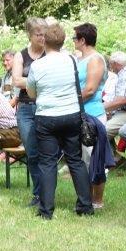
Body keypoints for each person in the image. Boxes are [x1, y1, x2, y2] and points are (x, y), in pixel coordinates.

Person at [25, 24, 94, 219]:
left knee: (47, 163)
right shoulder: (71, 60)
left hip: (46, 116)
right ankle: (85, 206)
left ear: (44, 41)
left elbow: (31, 93)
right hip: (71, 114)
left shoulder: (37, 65)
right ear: (63, 42)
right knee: (75, 160)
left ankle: (46, 210)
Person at [11, 18, 48, 207]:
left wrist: (29, 81)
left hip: (46, 106)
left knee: (46, 152)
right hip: (25, 108)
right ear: (30, 35)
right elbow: (16, 81)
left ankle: (47, 193)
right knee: (32, 153)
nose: (42, 38)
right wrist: (41, 81)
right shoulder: (21, 55)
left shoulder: (51, 53)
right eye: (38, 34)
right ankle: (38, 194)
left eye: (44, 34)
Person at [73, 23, 108, 205]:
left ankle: (97, 201)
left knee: (94, 158)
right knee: (82, 159)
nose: (73, 41)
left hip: (93, 114)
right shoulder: (79, 59)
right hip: (78, 114)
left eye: (75, 38)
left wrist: (69, 102)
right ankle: (85, 197)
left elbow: (90, 89)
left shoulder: (95, 59)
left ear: (82, 40)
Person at [103, 51, 126, 152]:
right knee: (99, 123)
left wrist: (100, 108)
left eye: (111, 64)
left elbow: (123, 100)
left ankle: (104, 157)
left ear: (115, 64)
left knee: (102, 130)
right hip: (123, 111)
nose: (111, 67)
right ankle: (114, 157)